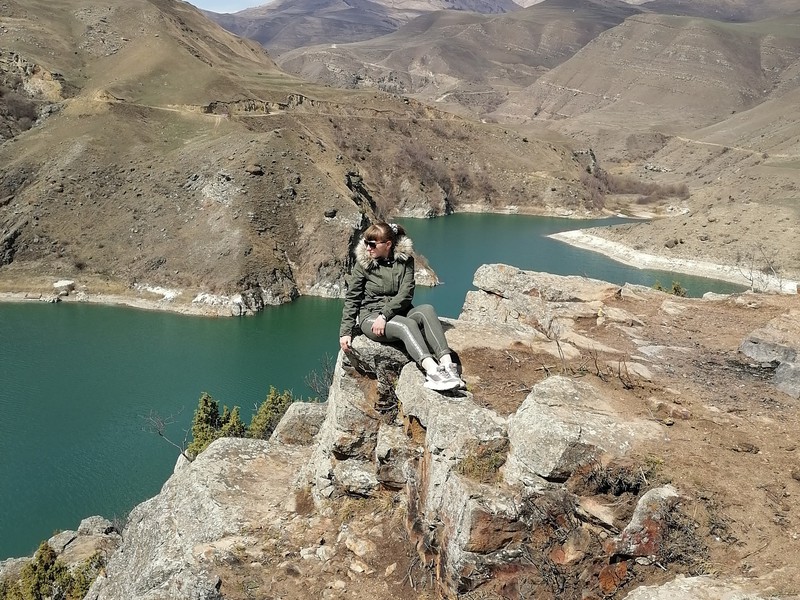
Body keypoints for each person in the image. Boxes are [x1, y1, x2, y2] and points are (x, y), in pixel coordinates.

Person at [339, 221, 466, 392]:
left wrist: (385, 315)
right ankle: (432, 372)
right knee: (408, 325)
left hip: (395, 312)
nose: (368, 248)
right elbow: (352, 297)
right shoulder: (363, 264)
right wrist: (346, 332)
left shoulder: (405, 261)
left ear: (388, 244)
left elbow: (406, 294)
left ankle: (448, 366)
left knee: (427, 310)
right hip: (371, 316)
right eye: (366, 243)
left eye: (372, 244)